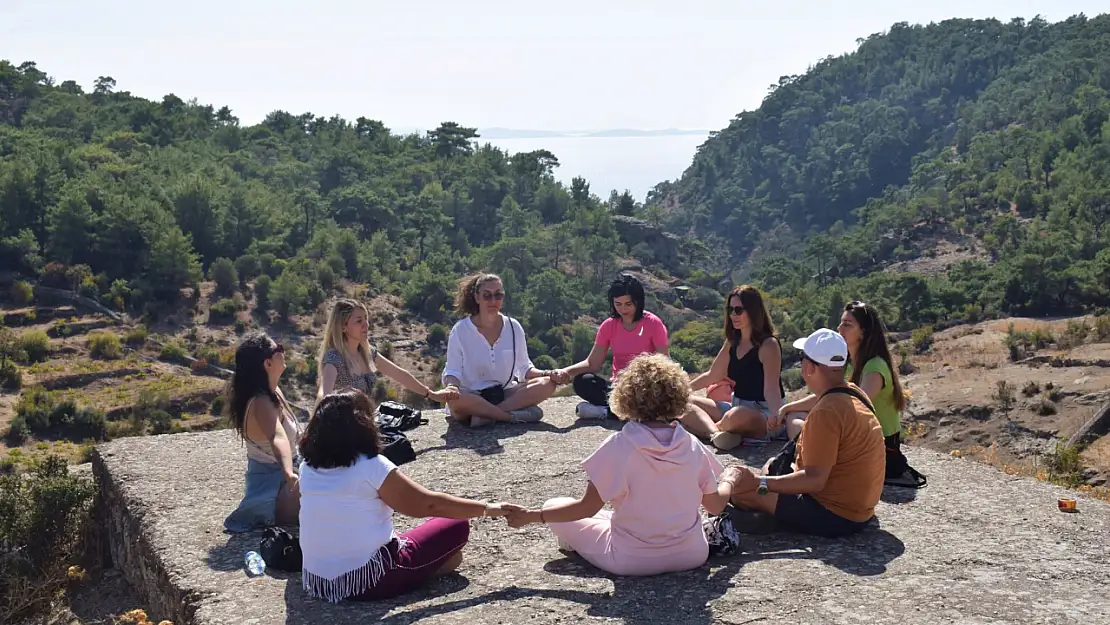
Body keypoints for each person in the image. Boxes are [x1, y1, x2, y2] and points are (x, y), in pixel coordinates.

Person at [504, 353, 733, 576]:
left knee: (556, 504)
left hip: (631, 560)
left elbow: (587, 508)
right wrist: (730, 481)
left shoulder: (620, 445)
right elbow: (714, 506)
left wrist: (532, 515)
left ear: (626, 397)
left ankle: (575, 544)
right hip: (692, 554)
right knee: (609, 516)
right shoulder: (691, 445)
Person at [298, 390, 522, 602]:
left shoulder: (307, 467)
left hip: (319, 582)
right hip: (367, 582)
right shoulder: (371, 466)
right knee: (456, 526)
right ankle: (423, 570)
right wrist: (486, 507)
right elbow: (429, 505)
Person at [726, 329, 885, 538]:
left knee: (742, 491)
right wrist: (787, 409)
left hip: (835, 516)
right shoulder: (854, 392)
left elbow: (815, 480)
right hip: (861, 509)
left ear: (809, 367)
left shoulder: (826, 412)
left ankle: (768, 514)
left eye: (803, 359)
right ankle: (772, 507)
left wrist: (759, 484)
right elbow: (821, 398)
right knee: (773, 464)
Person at [775, 301, 907, 441]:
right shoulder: (851, 363)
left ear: (863, 332)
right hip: (860, 434)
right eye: (841, 323)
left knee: (804, 427)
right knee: (794, 417)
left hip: (880, 444)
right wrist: (787, 408)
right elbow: (832, 395)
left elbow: (855, 406)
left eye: (847, 325)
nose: (839, 329)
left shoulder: (875, 367)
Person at [442, 273, 556, 427]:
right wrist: (452, 387)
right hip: (472, 397)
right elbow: (452, 371)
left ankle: (486, 416)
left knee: (547, 384)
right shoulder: (461, 330)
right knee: (455, 400)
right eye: (487, 296)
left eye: (498, 295)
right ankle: (509, 417)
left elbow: (524, 369)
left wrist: (548, 373)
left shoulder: (514, 327)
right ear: (477, 298)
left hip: (503, 394)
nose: (493, 301)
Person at [551, 273, 669, 420]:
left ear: (638, 301)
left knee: (654, 396)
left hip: (645, 386)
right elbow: (592, 363)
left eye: (628, 304)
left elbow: (664, 363)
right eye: (618, 304)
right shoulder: (609, 326)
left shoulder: (653, 324)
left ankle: (607, 412)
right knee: (584, 381)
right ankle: (626, 413)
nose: (623, 309)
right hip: (618, 387)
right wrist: (565, 371)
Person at [680, 286, 785, 451]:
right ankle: (716, 434)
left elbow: (771, 389)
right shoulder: (732, 342)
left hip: (761, 412)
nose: (733, 315)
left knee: (735, 416)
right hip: (735, 405)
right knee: (682, 403)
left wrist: (775, 414)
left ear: (753, 311)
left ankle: (708, 428)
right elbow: (713, 375)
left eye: (738, 310)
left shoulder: (768, 345)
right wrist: (682, 390)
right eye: (730, 310)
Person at [223, 332, 302, 533]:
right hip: (273, 489)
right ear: (268, 363)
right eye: (279, 350)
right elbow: (278, 437)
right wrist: (288, 472)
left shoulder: (274, 392)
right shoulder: (261, 402)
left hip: (290, 473)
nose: (284, 353)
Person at [317, 298, 459, 404]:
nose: (366, 325)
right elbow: (324, 394)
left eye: (366, 319)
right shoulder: (334, 359)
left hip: (364, 423)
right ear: (343, 327)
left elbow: (400, 375)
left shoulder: (367, 352)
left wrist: (432, 394)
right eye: (359, 321)